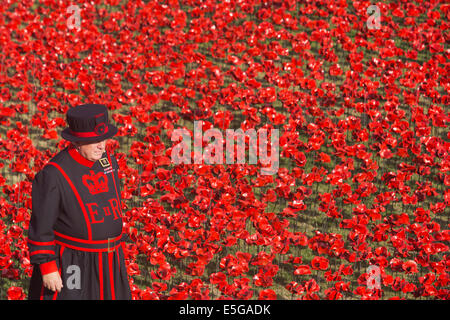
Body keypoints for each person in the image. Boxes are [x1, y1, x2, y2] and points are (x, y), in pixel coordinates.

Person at [27, 103, 132, 300]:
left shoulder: (108, 161)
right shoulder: (54, 174)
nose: (102, 145)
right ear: (76, 142)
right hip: (73, 262)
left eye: (103, 139)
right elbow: (41, 224)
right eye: (94, 141)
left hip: (110, 260)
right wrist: (48, 267)